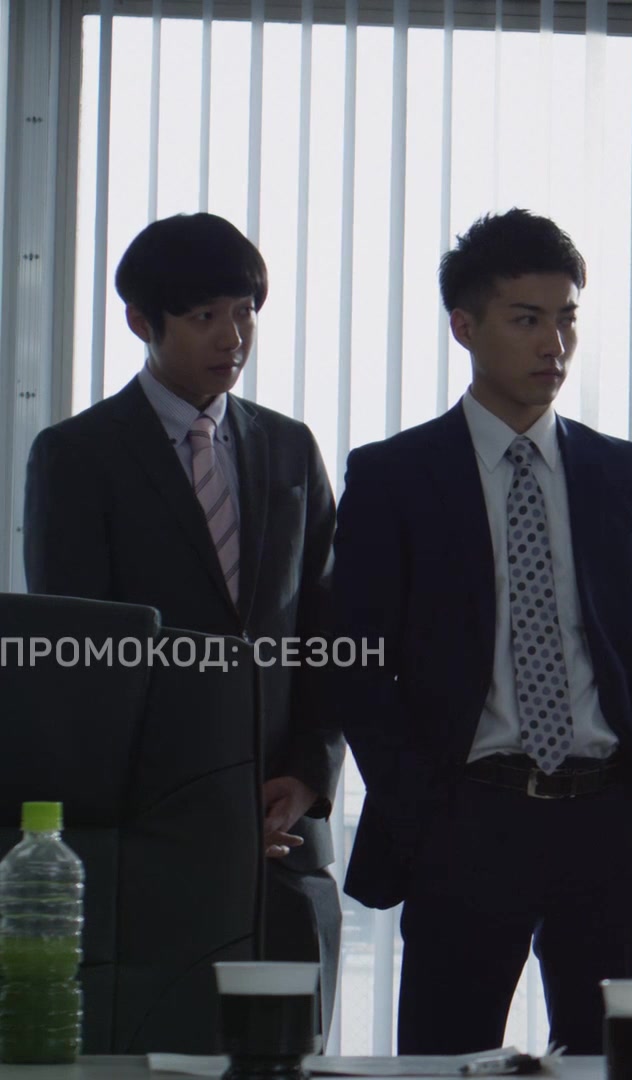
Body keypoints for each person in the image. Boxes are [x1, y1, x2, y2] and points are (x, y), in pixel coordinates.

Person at [332, 209, 632, 1052]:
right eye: (527, 320)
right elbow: (356, 664)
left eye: (567, 319)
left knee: (610, 1065)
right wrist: (424, 814)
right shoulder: (393, 475)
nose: (553, 345)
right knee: (444, 1060)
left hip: (607, 823)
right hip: (467, 821)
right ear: (465, 326)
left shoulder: (617, 470)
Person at [23, 212, 345, 1037]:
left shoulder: (289, 449)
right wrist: (208, 807)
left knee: (289, 1050)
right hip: (154, 838)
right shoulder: (78, 455)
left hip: (284, 832)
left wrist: (309, 774)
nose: (233, 338)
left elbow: (326, 628)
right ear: (142, 321)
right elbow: (82, 668)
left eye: (245, 313)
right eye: (205, 316)